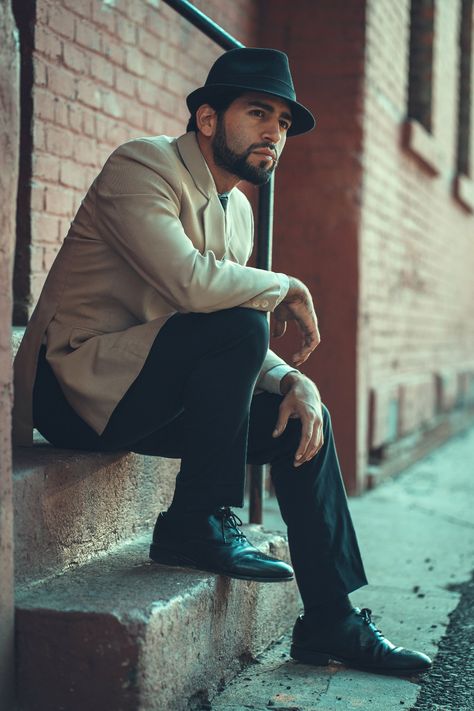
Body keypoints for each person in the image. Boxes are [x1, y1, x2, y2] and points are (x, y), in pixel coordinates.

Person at [13, 48, 432, 675]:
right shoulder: (142, 165)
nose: (273, 133)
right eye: (258, 113)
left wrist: (295, 381)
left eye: (283, 123)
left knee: (301, 420)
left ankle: (330, 620)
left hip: (151, 390)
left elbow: (224, 332)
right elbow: (192, 288)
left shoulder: (240, 211)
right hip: (76, 388)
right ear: (208, 120)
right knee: (242, 315)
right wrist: (285, 286)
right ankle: (196, 519)